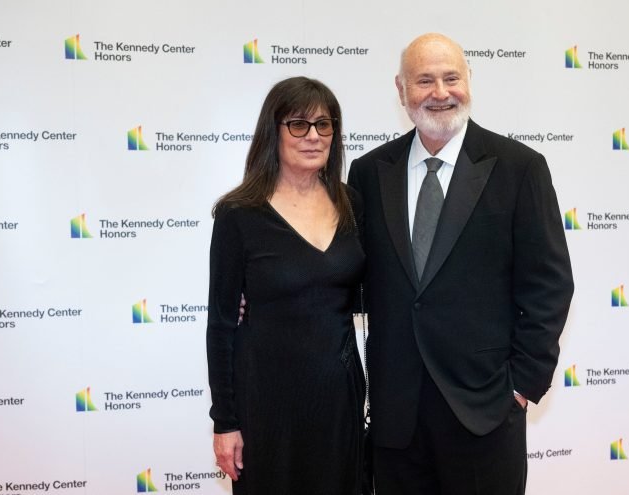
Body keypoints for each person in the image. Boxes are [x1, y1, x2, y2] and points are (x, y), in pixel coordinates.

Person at [347, 33, 574, 494]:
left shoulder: (519, 168)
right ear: (401, 89)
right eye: (424, 80)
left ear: (469, 80)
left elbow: (549, 286)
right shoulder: (369, 173)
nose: (440, 92)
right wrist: (270, 297)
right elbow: (354, 277)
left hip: (485, 415)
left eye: (451, 78)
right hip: (397, 420)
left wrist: (520, 387)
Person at [206, 76, 364, 495]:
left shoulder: (352, 203)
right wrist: (225, 422)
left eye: (324, 125)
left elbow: (361, 292)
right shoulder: (239, 214)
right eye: (298, 124)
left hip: (338, 396)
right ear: (272, 131)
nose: (313, 136)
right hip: (265, 402)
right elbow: (221, 325)